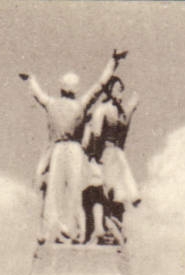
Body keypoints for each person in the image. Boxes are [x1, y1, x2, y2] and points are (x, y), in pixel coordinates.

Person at [20, 49, 125, 244]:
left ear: (61, 89)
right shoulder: (80, 104)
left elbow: (38, 94)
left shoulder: (52, 103)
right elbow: (100, 85)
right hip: (73, 151)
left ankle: (53, 231)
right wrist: (113, 61)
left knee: (55, 192)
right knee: (73, 192)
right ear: (74, 89)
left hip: (59, 151)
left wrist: (30, 79)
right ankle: (73, 232)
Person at [82, 76, 140, 244]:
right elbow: (97, 133)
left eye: (121, 90)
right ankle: (108, 230)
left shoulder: (117, 110)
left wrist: (131, 109)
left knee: (116, 194)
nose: (119, 93)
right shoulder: (104, 109)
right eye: (116, 89)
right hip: (106, 154)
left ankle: (115, 229)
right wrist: (94, 154)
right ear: (109, 90)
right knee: (106, 192)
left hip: (115, 154)